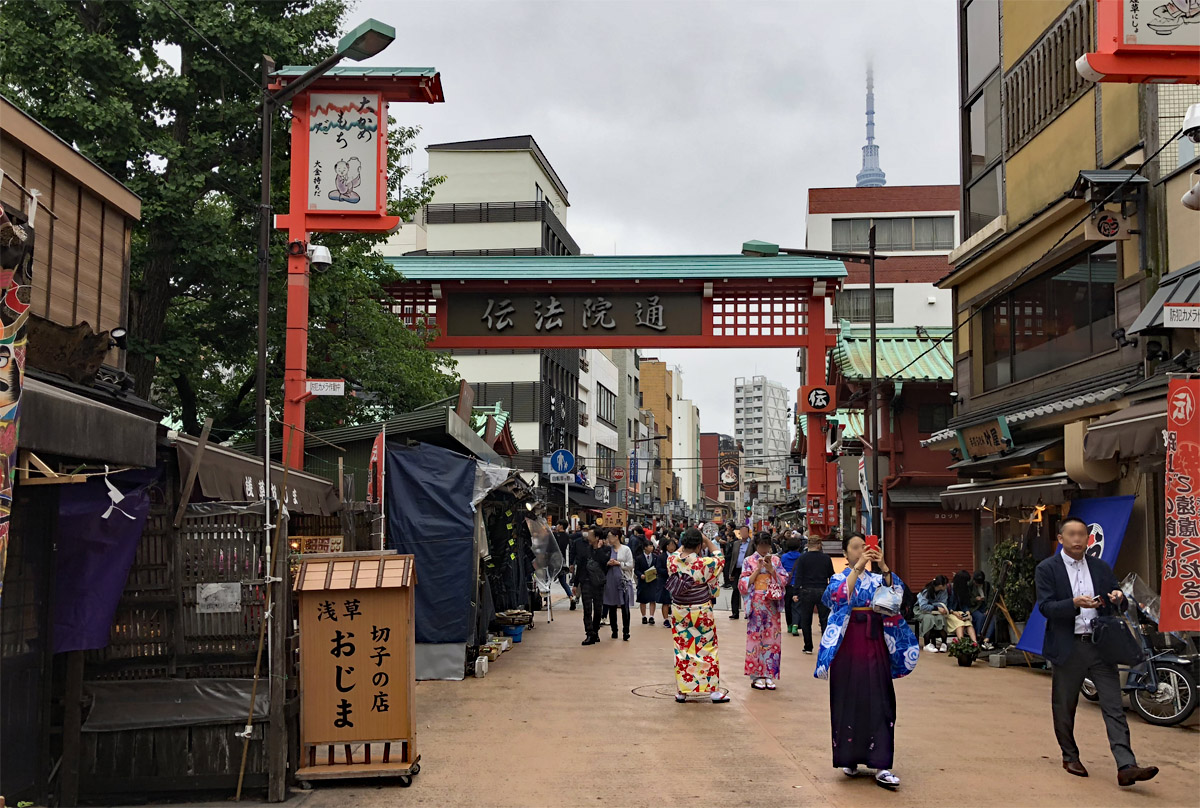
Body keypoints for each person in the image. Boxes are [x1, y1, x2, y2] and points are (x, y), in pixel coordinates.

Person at [1035, 516, 1158, 787]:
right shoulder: (1047, 568)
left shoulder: (1100, 567)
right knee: (1065, 707)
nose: (1078, 540)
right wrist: (1073, 603)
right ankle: (1070, 756)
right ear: (1061, 539)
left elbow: (1117, 601)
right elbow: (1045, 607)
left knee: (1114, 706)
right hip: (1068, 647)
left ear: (1088, 539)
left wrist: (1118, 598)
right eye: (1073, 535)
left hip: (1101, 647)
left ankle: (1126, 765)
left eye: (1083, 535)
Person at [815, 532, 918, 790]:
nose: (863, 550)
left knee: (880, 698)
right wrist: (858, 568)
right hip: (848, 643)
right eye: (857, 548)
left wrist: (883, 566)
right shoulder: (839, 578)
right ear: (846, 554)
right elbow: (835, 599)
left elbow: (898, 598)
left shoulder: (878, 579)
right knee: (847, 697)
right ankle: (849, 758)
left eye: (866, 546)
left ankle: (882, 763)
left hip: (875, 641)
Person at [666, 528, 729, 703]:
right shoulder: (705, 563)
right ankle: (713, 691)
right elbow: (719, 556)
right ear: (699, 546)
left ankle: (682, 691)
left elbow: (679, 552)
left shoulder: (672, 561)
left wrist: (686, 541)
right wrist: (706, 539)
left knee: (682, 649)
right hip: (701, 610)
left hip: (680, 611)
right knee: (707, 649)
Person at [739, 533, 787, 690]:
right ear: (756, 546)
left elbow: (784, 580)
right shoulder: (749, 561)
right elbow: (743, 584)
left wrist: (772, 570)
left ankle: (769, 674)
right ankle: (756, 675)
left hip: (771, 603)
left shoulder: (776, 560)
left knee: (772, 638)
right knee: (755, 638)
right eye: (761, 546)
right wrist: (758, 570)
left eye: (767, 546)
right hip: (756, 602)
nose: (764, 549)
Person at [791, 533, 835, 652]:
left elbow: (798, 576)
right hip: (823, 590)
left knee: (806, 619)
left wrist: (795, 592)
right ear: (819, 545)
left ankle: (808, 646)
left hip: (806, 590)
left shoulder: (803, 558)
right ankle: (826, 646)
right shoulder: (826, 558)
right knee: (824, 619)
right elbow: (831, 575)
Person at [573, 526, 610, 646]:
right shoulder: (585, 549)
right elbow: (580, 566)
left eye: (590, 535)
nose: (588, 537)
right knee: (587, 609)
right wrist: (576, 583)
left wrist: (598, 549)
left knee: (598, 608)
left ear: (597, 537)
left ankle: (595, 631)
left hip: (598, 583)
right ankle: (589, 633)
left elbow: (604, 564)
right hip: (586, 582)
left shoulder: (605, 550)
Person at [603, 527, 635, 641]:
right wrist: (608, 563)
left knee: (624, 606)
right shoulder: (607, 549)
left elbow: (630, 564)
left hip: (623, 580)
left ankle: (626, 631)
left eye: (611, 536)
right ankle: (614, 630)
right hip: (610, 579)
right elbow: (602, 563)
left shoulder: (626, 549)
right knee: (611, 605)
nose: (609, 539)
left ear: (617, 537)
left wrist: (618, 563)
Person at [916, 576, 950, 652]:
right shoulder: (926, 591)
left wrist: (931, 605)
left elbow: (943, 604)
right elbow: (923, 607)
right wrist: (935, 607)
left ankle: (944, 643)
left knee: (941, 618)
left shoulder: (944, 591)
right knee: (929, 618)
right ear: (941, 585)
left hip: (937, 612)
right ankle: (927, 644)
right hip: (922, 611)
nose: (947, 586)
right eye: (945, 584)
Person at [946, 570, 979, 645]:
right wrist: (953, 612)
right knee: (960, 624)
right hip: (950, 613)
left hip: (960, 613)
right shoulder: (949, 589)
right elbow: (945, 605)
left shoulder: (963, 590)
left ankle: (975, 643)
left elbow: (964, 604)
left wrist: (967, 612)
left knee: (968, 624)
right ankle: (962, 644)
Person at [779, 535, 803, 635]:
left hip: (787, 585)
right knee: (797, 606)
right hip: (798, 584)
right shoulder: (802, 557)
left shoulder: (784, 557)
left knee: (787, 605)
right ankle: (795, 626)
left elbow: (780, 570)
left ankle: (789, 625)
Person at [635, 539, 661, 624]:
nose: (652, 547)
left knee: (652, 599)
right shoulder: (639, 558)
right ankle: (643, 616)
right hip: (643, 581)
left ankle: (651, 616)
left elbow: (658, 567)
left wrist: (656, 572)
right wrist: (640, 575)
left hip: (653, 580)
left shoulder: (655, 557)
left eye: (652, 546)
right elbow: (636, 570)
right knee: (643, 600)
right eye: (649, 546)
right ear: (645, 547)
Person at [553, 521, 578, 610]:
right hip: (562, 561)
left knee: (547, 580)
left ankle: (547, 602)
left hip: (553, 560)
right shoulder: (568, 537)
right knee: (563, 582)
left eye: (558, 524)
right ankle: (571, 597)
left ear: (561, 526)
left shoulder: (554, 536)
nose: (556, 526)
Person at [970, 570, 996, 648]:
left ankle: (986, 640)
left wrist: (988, 608)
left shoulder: (987, 585)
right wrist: (975, 599)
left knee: (991, 617)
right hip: (974, 607)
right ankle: (979, 637)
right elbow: (967, 600)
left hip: (984, 606)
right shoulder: (970, 586)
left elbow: (991, 598)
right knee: (980, 617)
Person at [656, 535, 677, 627]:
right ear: (666, 546)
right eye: (670, 545)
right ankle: (666, 619)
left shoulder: (678, 557)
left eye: (674, 545)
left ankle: (675, 618)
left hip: (676, 582)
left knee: (675, 601)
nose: (672, 547)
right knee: (666, 601)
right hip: (664, 581)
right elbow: (658, 569)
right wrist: (669, 571)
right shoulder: (661, 557)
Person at [728, 529, 749, 619]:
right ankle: (735, 612)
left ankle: (747, 612)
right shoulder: (736, 544)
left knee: (747, 591)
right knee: (735, 589)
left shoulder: (752, 543)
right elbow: (733, 558)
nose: (743, 533)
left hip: (748, 570)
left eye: (745, 532)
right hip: (737, 570)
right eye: (741, 532)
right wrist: (730, 573)